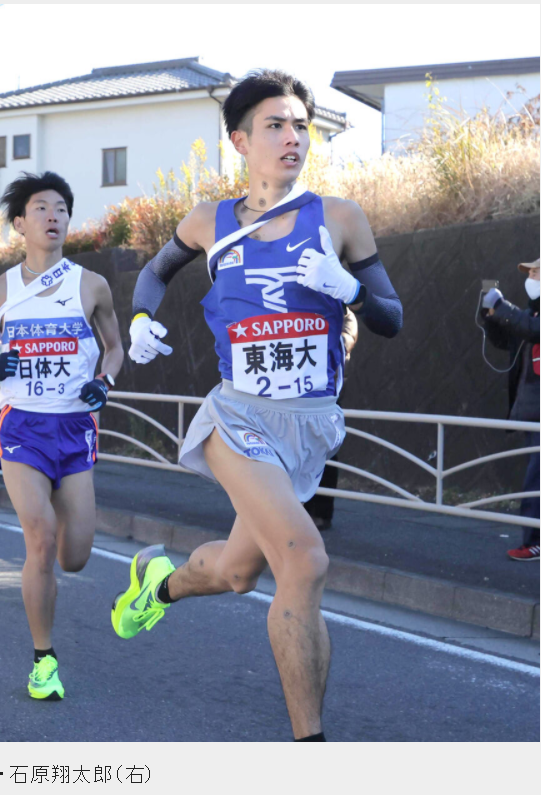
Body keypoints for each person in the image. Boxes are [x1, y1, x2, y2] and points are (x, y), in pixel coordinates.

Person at [110, 69, 402, 741]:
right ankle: (310, 746)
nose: (292, 136)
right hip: (236, 416)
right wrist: (140, 319)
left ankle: (156, 584)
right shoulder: (208, 221)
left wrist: (347, 290)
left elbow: (391, 318)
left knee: (240, 573)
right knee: (303, 557)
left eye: (301, 124)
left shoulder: (338, 218)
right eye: (275, 124)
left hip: (308, 425)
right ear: (240, 140)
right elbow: (155, 271)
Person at [0, 171, 123, 701]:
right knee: (41, 538)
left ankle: (141, 576)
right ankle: (43, 659)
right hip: (23, 428)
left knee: (73, 557)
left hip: (75, 428)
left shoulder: (91, 285)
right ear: (19, 223)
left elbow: (114, 348)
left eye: (61, 208)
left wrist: (105, 382)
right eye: (41, 208)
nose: (53, 216)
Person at [481, 258, 540, 561]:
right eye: (530, 271)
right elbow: (508, 340)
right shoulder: (530, 315)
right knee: (535, 478)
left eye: (537, 271)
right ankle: (533, 539)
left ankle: (532, 542)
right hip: (531, 411)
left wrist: (503, 308)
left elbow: (532, 329)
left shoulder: (531, 319)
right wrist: (491, 317)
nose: (531, 276)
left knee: (535, 479)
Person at [304, 306, 358, 530]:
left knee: (325, 451)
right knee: (298, 452)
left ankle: (322, 512)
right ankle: (302, 510)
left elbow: (349, 323)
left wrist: (341, 343)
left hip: (325, 390)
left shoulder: (333, 297)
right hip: (299, 388)